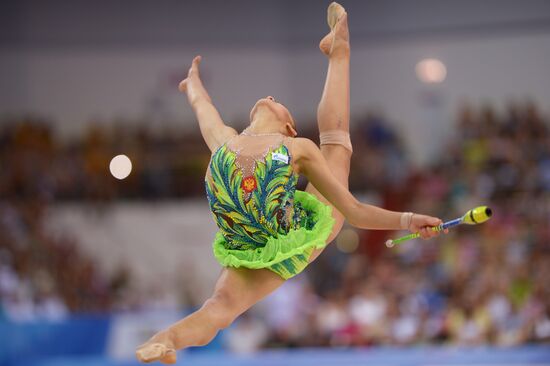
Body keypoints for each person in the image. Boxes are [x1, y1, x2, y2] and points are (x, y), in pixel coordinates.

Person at [136, 3, 444, 363]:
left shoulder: (295, 147)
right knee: (219, 307)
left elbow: (354, 210)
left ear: (289, 126)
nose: (269, 97)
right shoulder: (225, 143)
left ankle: (340, 52)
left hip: (301, 235)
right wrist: (193, 86)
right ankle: (165, 341)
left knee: (336, 144)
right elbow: (204, 111)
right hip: (250, 250)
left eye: (278, 101)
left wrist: (408, 220)